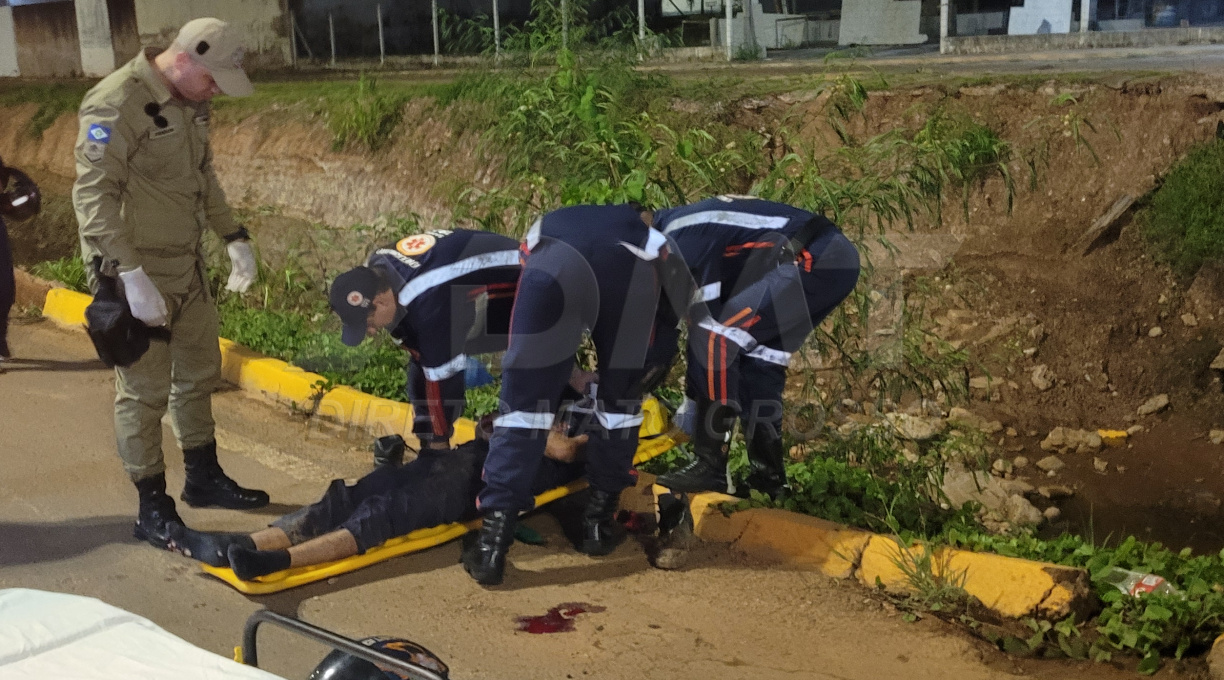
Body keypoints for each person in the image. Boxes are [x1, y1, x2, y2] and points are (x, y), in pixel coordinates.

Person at [72, 18, 267, 552]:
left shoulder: (191, 102)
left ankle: (203, 475)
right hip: (135, 272)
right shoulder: (115, 103)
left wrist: (233, 235)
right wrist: (128, 275)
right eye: (214, 80)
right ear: (186, 58)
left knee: (200, 369)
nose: (216, 93)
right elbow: (93, 198)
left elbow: (202, 175)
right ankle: (152, 506)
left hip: (186, 266)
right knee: (143, 391)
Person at [461, 203, 699, 586]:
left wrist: (546, 369)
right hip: (627, 283)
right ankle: (596, 529)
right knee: (620, 409)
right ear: (647, 217)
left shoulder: (550, 220)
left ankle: (491, 548)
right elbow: (681, 304)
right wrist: (647, 366)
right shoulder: (655, 240)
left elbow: (525, 284)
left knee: (522, 412)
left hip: (549, 268)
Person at [169, 419, 589, 581]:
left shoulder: (601, 415)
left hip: (487, 482)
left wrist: (525, 428)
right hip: (462, 458)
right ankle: (245, 544)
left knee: (386, 512)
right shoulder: (544, 386)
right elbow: (488, 425)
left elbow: (567, 452)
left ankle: (280, 561)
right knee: (354, 493)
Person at [650, 195, 861, 498]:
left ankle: (711, 463)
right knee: (759, 361)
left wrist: (693, 404)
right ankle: (769, 481)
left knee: (716, 338)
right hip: (828, 258)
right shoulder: (681, 230)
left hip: (813, 258)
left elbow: (706, 329)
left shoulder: (681, 237)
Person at [329, 228, 522, 449]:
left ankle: (545, 417)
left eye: (369, 324)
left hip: (527, 280)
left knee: (526, 351)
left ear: (380, 302)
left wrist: (438, 445)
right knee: (423, 353)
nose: (371, 332)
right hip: (466, 285)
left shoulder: (425, 302)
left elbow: (442, 378)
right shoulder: (378, 267)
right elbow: (418, 354)